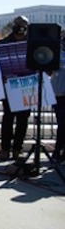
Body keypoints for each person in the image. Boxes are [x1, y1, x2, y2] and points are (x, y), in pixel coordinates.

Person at [0, 15, 29, 160]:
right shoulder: (3, 44)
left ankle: (17, 149)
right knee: (8, 118)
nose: (21, 26)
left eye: (24, 24)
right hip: (9, 86)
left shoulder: (31, 44)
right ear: (13, 25)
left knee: (23, 118)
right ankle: (5, 149)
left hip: (26, 86)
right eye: (18, 24)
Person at [50, 31, 65, 162]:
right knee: (62, 123)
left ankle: (59, 150)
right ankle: (58, 150)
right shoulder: (56, 51)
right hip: (58, 93)